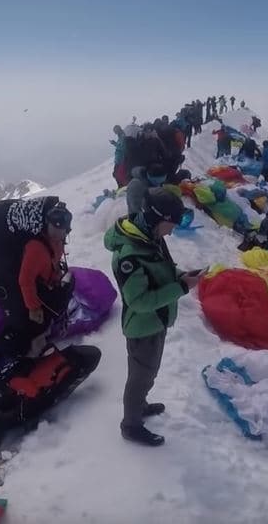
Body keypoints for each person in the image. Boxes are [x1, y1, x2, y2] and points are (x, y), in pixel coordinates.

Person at [104, 189, 201, 447]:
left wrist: (181, 276)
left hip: (156, 320)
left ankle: (140, 406)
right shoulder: (130, 254)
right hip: (142, 327)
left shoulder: (149, 236)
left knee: (149, 372)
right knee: (140, 378)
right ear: (158, 219)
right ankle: (131, 425)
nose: (172, 231)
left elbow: (162, 270)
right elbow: (139, 301)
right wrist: (182, 287)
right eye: (171, 224)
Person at [0, 197, 75, 360]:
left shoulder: (55, 242)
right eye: (56, 228)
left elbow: (53, 263)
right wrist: (34, 308)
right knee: (23, 319)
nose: (59, 233)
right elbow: (25, 280)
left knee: (54, 296)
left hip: (5, 228)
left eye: (62, 229)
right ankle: (21, 349)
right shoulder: (37, 250)